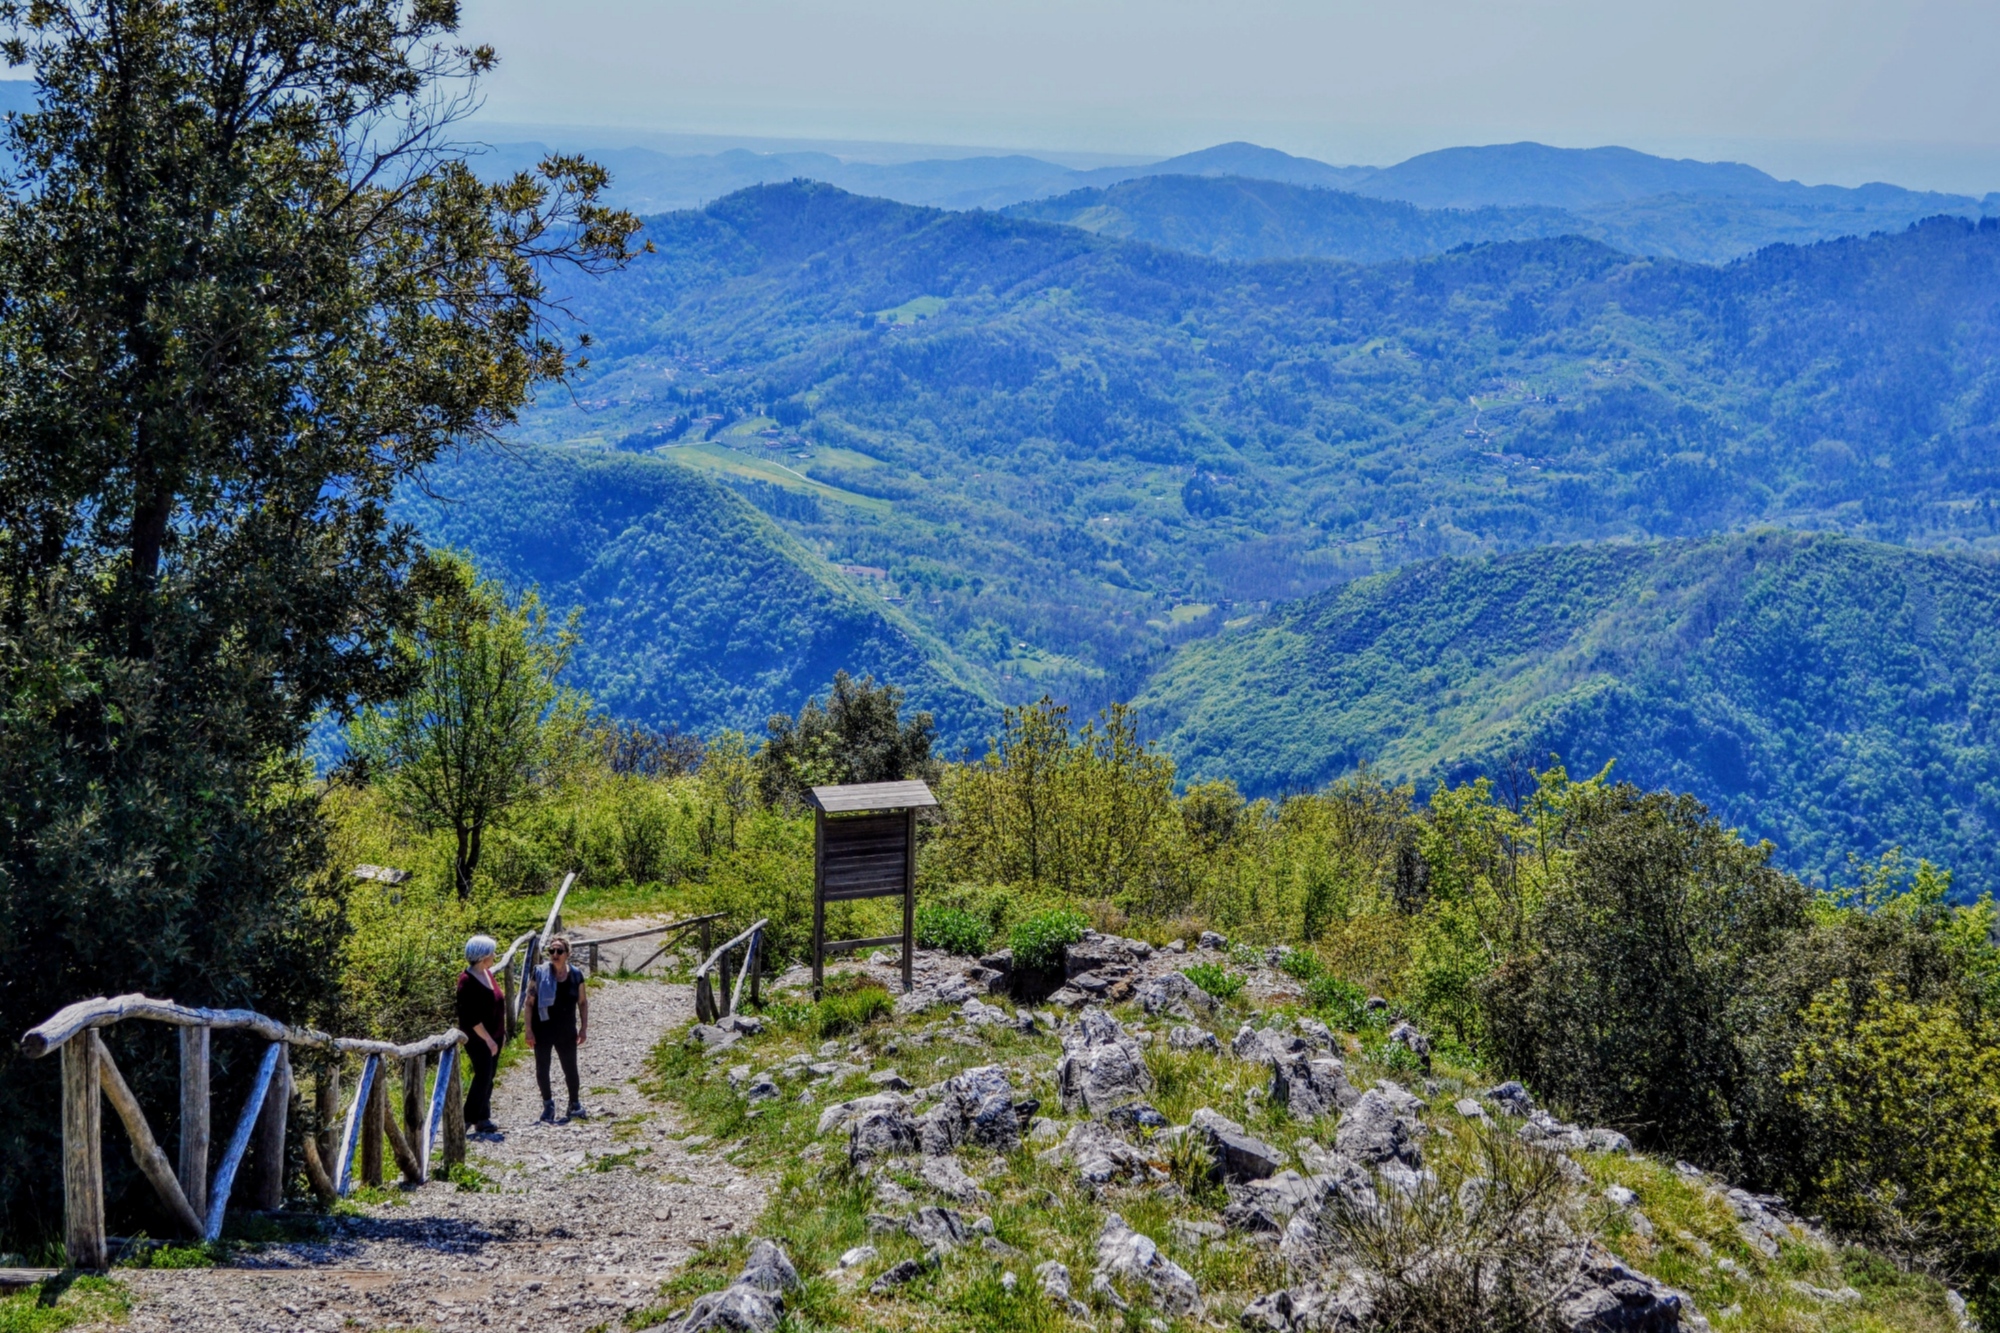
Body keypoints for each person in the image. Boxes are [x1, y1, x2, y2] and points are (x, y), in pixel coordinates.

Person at [526, 934, 589, 1123]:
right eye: (551, 951)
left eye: (559, 951)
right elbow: (529, 1003)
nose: (555, 954)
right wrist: (528, 1029)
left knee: (570, 1068)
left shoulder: (576, 975)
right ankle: (548, 1104)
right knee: (542, 1068)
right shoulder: (539, 973)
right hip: (542, 1029)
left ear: (567, 953)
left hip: (566, 1029)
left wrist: (584, 1028)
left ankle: (574, 1103)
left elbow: (583, 1002)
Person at [456, 935, 506, 1136]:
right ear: (483, 956)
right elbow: (471, 1017)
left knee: (489, 1076)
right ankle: (466, 1119)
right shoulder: (466, 982)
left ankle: (483, 1117)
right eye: (492, 952)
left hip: (495, 1034)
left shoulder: (486, 973)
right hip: (479, 1038)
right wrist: (488, 1040)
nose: (494, 955)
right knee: (483, 1076)